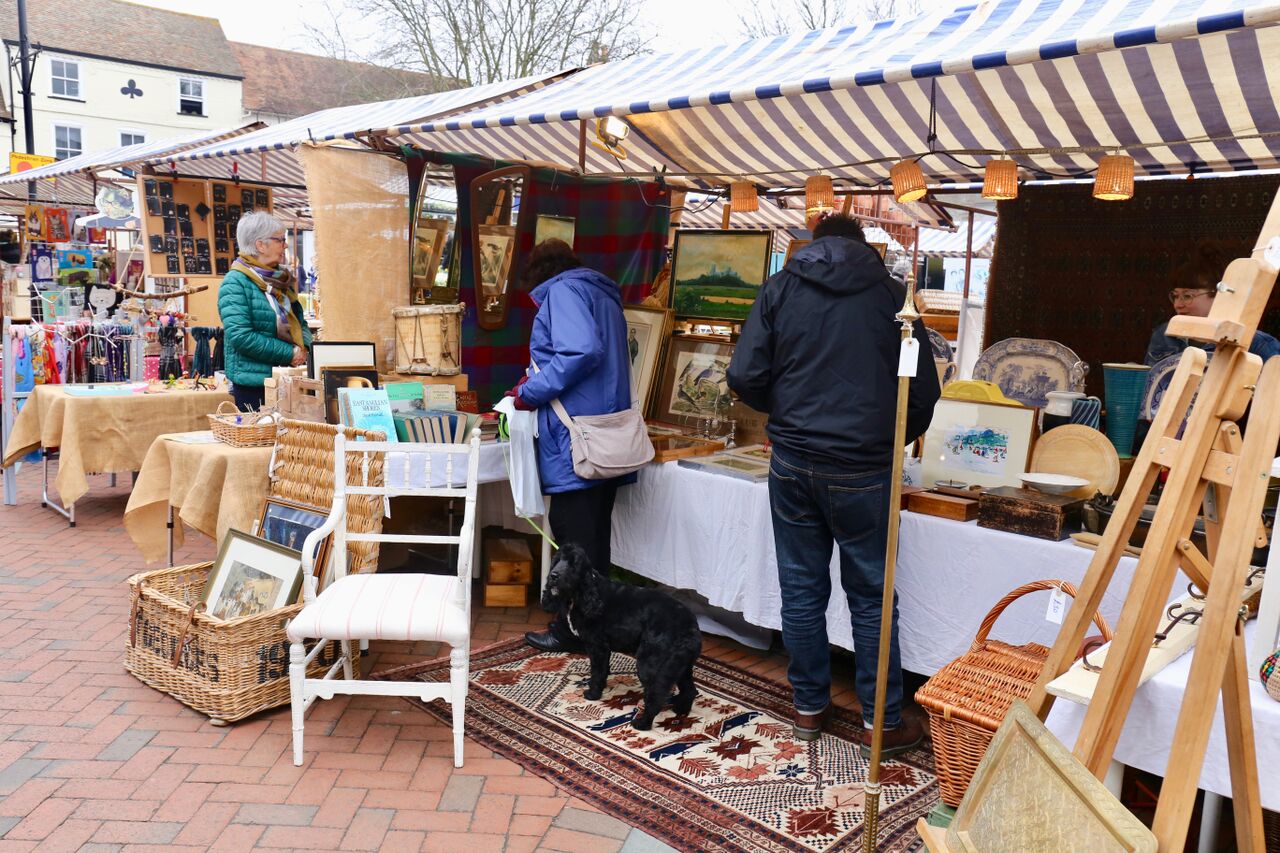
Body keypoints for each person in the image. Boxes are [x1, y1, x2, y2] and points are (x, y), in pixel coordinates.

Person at [727, 213, 941, 755]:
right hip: (865, 466)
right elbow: (921, 395)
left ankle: (808, 708)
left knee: (801, 589)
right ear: (864, 245)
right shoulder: (895, 296)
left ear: (813, 245)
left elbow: (745, 375)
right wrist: (887, 438)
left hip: (794, 461)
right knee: (871, 597)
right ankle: (881, 723)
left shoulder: (780, 287)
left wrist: (790, 413)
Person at [509, 240, 635, 653]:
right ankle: (597, 629)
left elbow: (580, 351)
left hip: (575, 438)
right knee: (596, 539)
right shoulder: (601, 293)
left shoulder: (562, 292)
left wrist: (532, 390)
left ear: (539, 276)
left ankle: (571, 631)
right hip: (606, 434)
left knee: (574, 542)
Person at [218, 212, 311, 411]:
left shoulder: (281, 280)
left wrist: (305, 349)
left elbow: (299, 320)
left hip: (289, 378)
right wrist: (290, 353)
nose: (285, 245)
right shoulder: (235, 283)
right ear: (260, 245)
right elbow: (241, 336)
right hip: (255, 385)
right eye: (280, 240)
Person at [1146, 244, 1280, 365]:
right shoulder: (1164, 335)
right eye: (1175, 296)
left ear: (1218, 295)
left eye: (1187, 296)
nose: (1178, 304)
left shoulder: (1258, 343)